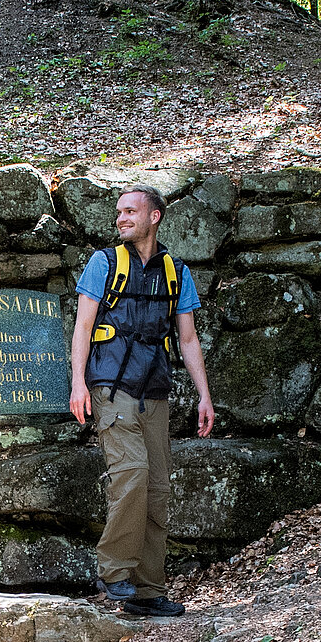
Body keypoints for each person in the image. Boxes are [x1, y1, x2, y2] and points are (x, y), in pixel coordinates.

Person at [67, 187, 216, 619]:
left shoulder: (175, 271)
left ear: (155, 216)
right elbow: (83, 327)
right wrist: (78, 383)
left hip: (155, 391)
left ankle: (148, 591)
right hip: (111, 388)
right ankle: (114, 571)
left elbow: (188, 338)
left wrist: (204, 395)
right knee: (131, 473)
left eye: (130, 211)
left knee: (157, 489)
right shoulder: (104, 263)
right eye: (119, 212)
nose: (121, 218)